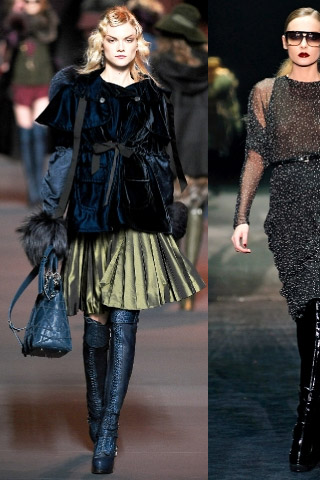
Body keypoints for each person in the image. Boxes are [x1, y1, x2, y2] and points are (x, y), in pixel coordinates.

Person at [19, 6, 205, 475]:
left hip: (137, 218)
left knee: (125, 319)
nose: (120, 47)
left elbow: (163, 158)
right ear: (101, 42)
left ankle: (108, 429)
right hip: (90, 216)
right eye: (113, 39)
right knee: (96, 323)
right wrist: (52, 217)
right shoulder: (77, 89)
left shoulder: (153, 93)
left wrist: (164, 207)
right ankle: (96, 407)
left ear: (138, 43)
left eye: (128, 40)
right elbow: (63, 155)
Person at [230, 7, 320, 472]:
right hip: (288, 204)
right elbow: (255, 154)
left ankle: (305, 422)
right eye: (296, 36)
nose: (304, 43)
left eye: (313, 36)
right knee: (304, 307)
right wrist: (242, 216)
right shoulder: (265, 92)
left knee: (319, 302)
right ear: (285, 41)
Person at [151, 3, 208, 311]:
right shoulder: (207, 67)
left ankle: (170, 282)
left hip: (168, 152)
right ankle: (189, 294)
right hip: (198, 151)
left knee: (169, 214)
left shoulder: (156, 66)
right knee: (195, 211)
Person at [1, 0, 59, 205]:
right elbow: (8, 39)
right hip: (20, 82)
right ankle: (32, 189)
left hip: (42, 82)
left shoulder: (47, 18)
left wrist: (30, 18)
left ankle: (41, 185)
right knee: (25, 137)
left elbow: (49, 34)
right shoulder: (15, 19)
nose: (30, 3)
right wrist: (15, 15)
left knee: (38, 134)